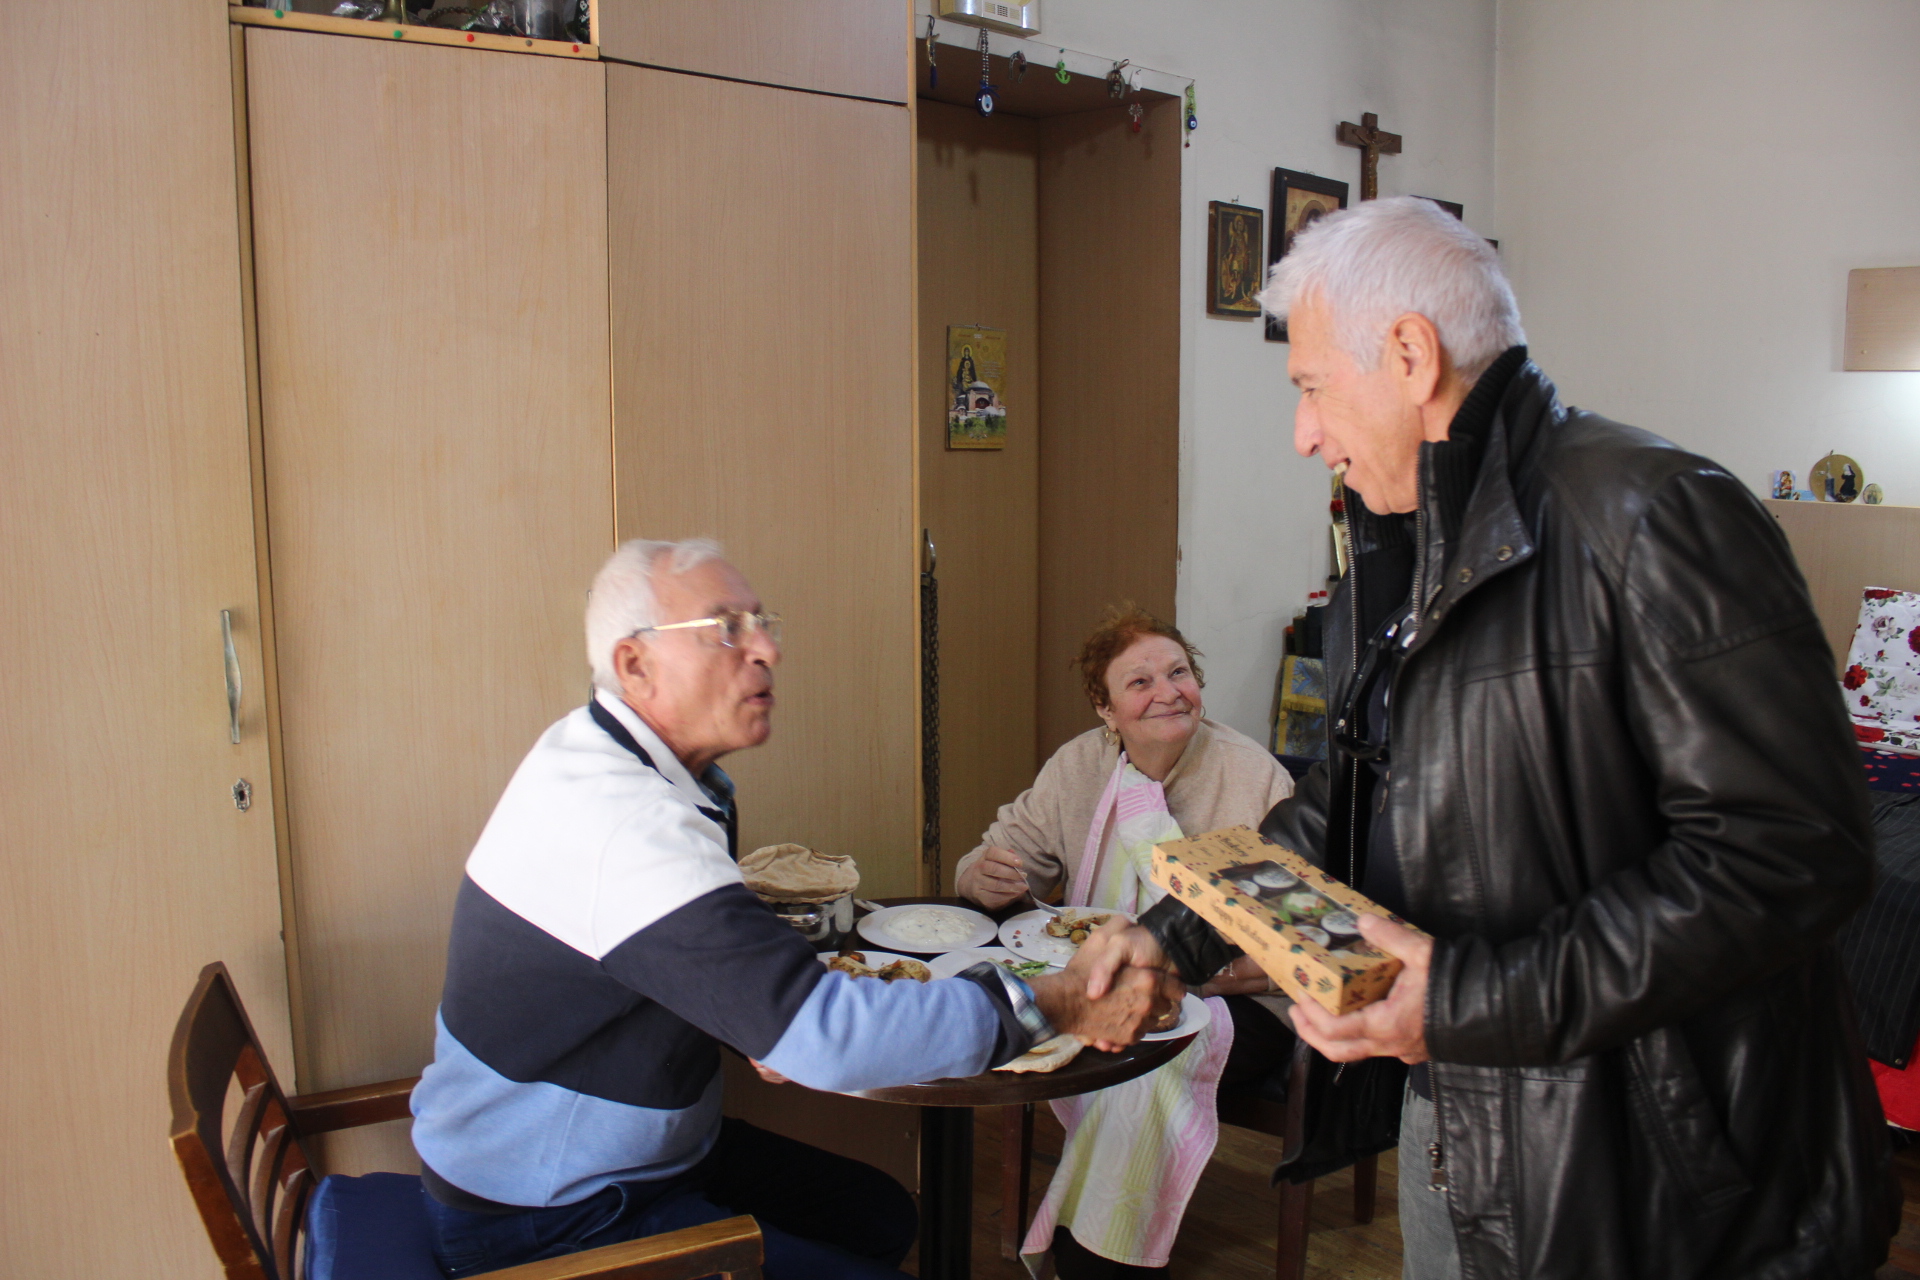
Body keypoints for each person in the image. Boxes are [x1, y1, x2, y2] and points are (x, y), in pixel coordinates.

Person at [1118, 197, 1898, 1279]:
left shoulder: (1657, 515)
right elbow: (1350, 805)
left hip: (1656, 1178)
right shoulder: (1403, 554)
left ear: (1410, 355)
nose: (1304, 432)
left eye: (1310, 385)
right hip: (1465, 1122)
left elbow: (1793, 854)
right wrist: (1175, 936)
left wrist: (1465, 999)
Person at [408, 538, 1174, 1280]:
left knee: (879, 1217)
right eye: (725, 629)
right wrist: (1062, 1002)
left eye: (763, 624)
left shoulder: (609, 758)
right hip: (553, 1213)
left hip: (630, 1160)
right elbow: (821, 1036)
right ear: (634, 664)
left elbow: (662, 964)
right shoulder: (629, 823)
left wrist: (753, 1018)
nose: (767, 650)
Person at [954, 607, 1295, 1279]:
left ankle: (1098, 1262)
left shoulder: (1251, 777)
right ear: (1105, 708)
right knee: (1026, 1011)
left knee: (1142, 1062)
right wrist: (979, 876)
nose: (1168, 692)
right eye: (1140, 682)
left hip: (1241, 998)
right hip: (1102, 978)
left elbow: (1290, 943)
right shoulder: (1078, 765)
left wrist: (1189, 973)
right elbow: (1007, 852)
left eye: (1179, 673)